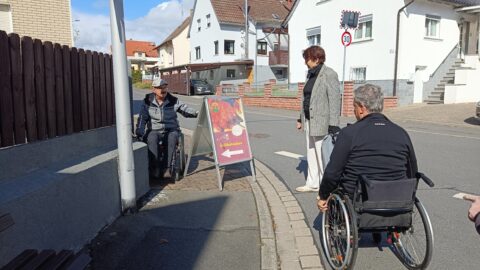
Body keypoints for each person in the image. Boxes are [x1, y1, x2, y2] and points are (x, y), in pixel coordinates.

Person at [317, 84, 418, 211]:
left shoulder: (349, 133)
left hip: (360, 199)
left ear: (361, 108)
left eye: (354, 107)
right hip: (396, 199)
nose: (354, 111)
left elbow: (332, 173)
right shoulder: (401, 133)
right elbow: (412, 170)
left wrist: (323, 196)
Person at [296, 45, 341, 192]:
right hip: (309, 120)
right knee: (311, 152)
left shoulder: (329, 74)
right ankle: (312, 183)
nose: (305, 62)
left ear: (316, 58)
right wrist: (300, 118)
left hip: (322, 122)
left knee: (322, 155)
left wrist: (333, 124)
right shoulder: (310, 74)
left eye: (307, 59)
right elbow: (306, 97)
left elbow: (334, 100)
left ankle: (325, 186)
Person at [136, 78, 198, 179]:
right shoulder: (147, 101)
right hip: (154, 130)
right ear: (154, 89)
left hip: (171, 130)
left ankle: (167, 168)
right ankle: (154, 168)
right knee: (151, 138)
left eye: (164, 87)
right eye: (160, 88)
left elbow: (185, 110)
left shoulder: (173, 100)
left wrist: (196, 113)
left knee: (172, 138)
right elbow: (142, 118)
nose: (163, 90)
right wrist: (139, 131)